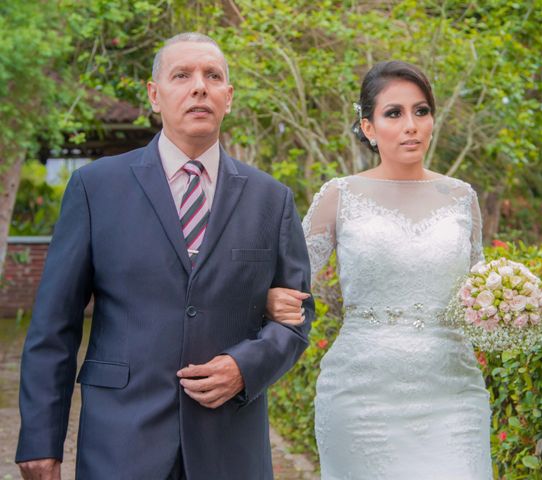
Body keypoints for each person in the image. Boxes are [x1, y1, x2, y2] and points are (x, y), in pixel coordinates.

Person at [15, 32, 313, 480]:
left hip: (229, 445)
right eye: (182, 75)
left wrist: (244, 368)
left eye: (213, 76)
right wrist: (40, 439)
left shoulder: (271, 199)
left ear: (228, 98)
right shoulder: (96, 188)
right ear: (155, 95)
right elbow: (54, 325)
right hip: (121, 440)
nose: (199, 87)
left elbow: (296, 318)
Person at [267, 61, 493, 479]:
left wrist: (511, 308)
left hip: (453, 398)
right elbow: (289, 283)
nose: (411, 125)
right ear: (368, 127)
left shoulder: (463, 198)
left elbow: (478, 298)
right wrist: (271, 299)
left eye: (421, 111)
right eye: (394, 113)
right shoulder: (339, 196)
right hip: (361, 398)